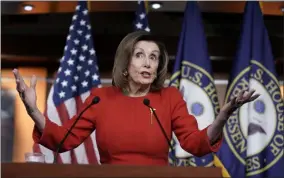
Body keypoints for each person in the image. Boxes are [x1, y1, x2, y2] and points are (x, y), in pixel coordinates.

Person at [12, 31, 259, 166]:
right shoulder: (101, 98)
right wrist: (33, 109)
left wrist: (224, 114)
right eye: (140, 55)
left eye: (153, 57)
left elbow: (196, 144)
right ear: (126, 64)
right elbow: (63, 140)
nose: (148, 62)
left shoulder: (169, 97)